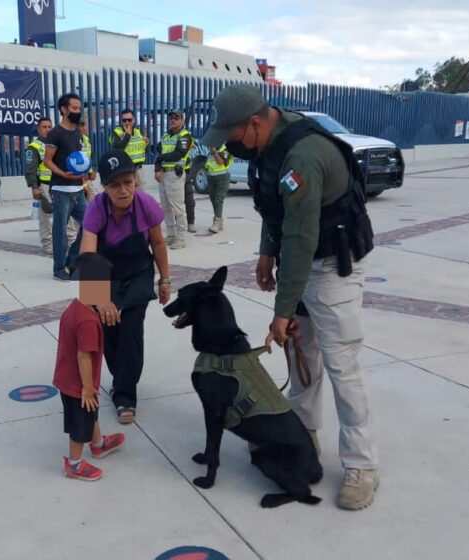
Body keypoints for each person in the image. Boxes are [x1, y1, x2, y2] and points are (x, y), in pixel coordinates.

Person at [201, 83, 379, 511]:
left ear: (256, 122)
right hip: (304, 264)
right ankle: (302, 435)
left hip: (333, 268)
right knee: (303, 360)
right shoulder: (270, 145)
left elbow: (300, 238)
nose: (231, 145)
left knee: (341, 366)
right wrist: (265, 252)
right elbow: (273, 209)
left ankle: (361, 465)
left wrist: (282, 311)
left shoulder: (302, 155)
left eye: (233, 135)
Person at [79, 149, 170, 424]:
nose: (123, 190)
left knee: (131, 330)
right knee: (110, 333)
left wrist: (165, 278)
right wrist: (100, 299)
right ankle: (121, 380)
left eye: (128, 182)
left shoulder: (146, 204)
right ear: (104, 187)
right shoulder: (96, 209)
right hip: (106, 277)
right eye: (114, 185)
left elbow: (158, 243)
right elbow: (88, 254)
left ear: (135, 180)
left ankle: (125, 395)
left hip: (139, 274)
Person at [53, 252, 127, 481]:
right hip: (78, 386)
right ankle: (74, 464)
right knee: (80, 425)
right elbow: (83, 356)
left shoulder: (75, 309)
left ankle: (99, 444)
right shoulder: (87, 320)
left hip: (68, 379)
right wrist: (87, 388)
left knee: (91, 413)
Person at [44, 93, 89, 281]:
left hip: (78, 190)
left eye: (80, 108)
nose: (78, 111)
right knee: (60, 231)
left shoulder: (77, 132)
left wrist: (84, 178)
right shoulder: (55, 133)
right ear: (64, 109)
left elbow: (78, 159)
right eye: (75, 108)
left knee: (90, 225)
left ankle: (72, 260)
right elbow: (47, 161)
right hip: (61, 190)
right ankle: (59, 269)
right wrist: (62, 174)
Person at [154, 109, 194, 249]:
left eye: (176, 118)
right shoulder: (165, 136)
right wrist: (157, 169)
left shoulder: (185, 136)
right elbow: (158, 152)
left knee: (177, 207)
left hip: (175, 175)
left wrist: (160, 158)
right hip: (164, 175)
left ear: (182, 120)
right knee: (165, 207)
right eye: (171, 118)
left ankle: (181, 238)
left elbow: (178, 154)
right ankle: (171, 235)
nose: (173, 120)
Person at [25, 117, 55, 256]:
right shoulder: (34, 147)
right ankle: (48, 244)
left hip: (57, 184)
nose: (47, 129)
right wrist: (34, 187)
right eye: (44, 127)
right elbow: (30, 169)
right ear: (38, 129)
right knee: (45, 217)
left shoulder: (55, 144)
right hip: (43, 185)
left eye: (49, 127)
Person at [109, 109, 148, 190]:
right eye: (124, 120)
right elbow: (116, 148)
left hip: (138, 170)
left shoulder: (137, 132)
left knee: (141, 195)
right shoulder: (117, 133)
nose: (127, 122)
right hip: (125, 170)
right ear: (121, 121)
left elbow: (143, 151)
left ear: (134, 120)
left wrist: (146, 143)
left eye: (129, 120)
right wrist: (127, 135)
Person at [204, 144, 233, 233]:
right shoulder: (210, 152)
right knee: (213, 200)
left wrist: (214, 152)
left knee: (218, 200)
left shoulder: (225, 149)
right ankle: (218, 221)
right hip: (211, 179)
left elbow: (220, 162)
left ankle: (217, 222)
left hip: (222, 178)